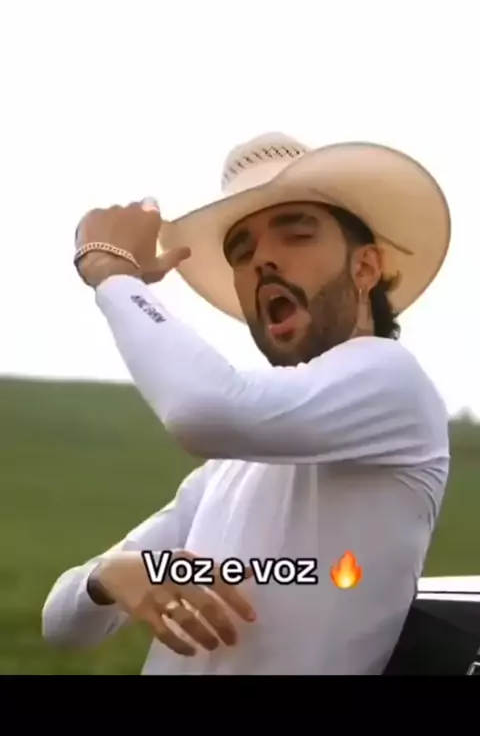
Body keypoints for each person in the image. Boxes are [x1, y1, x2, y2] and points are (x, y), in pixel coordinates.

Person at [42, 132, 452, 675]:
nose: (262, 260)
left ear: (365, 268)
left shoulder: (392, 380)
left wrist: (111, 272)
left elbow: (203, 410)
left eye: (296, 234)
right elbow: (63, 624)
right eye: (242, 251)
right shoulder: (230, 466)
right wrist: (114, 574)